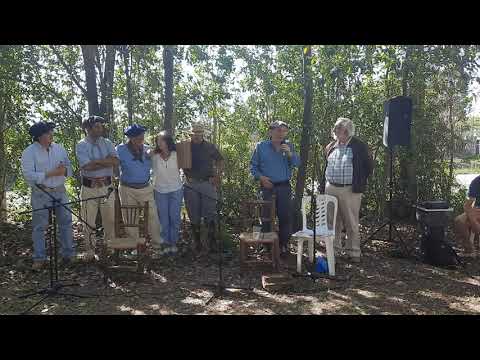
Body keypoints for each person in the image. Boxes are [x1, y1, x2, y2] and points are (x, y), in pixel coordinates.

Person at [21, 121, 75, 270]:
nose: (51, 135)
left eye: (52, 132)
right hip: (41, 193)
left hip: (60, 190)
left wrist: (63, 171)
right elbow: (28, 175)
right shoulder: (29, 152)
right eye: (48, 133)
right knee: (39, 227)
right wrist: (51, 173)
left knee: (66, 223)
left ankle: (68, 255)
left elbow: (69, 169)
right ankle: (40, 258)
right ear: (39, 137)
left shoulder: (59, 148)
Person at [323, 117, 373, 263]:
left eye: (342, 128)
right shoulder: (331, 146)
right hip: (330, 187)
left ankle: (353, 252)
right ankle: (334, 249)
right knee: (332, 222)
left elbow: (368, 167)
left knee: (351, 222)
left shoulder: (359, 146)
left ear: (348, 130)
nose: (339, 131)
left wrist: (359, 181)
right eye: (337, 128)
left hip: (349, 189)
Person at [250, 120, 300, 257]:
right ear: (270, 131)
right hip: (267, 187)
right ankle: (267, 247)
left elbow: (297, 163)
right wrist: (261, 178)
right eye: (278, 130)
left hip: (284, 187)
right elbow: (253, 167)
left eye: (284, 131)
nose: (281, 134)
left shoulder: (288, 145)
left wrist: (290, 154)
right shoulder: (261, 146)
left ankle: (283, 245)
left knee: (285, 217)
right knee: (265, 218)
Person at [76, 116, 119, 261]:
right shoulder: (81, 145)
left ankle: (110, 248)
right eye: (97, 127)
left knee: (110, 219)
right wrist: (106, 162)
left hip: (107, 187)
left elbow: (115, 161)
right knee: (88, 221)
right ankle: (89, 251)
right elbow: (86, 166)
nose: (100, 129)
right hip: (89, 188)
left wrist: (97, 161)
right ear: (88, 129)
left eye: (101, 126)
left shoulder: (107, 143)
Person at [116, 124, 163, 257]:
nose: (140, 138)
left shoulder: (147, 149)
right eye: (137, 136)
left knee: (153, 216)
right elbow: (114, 164)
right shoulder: (120, 149)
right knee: (130, 218)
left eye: (142, 135)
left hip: (145, 188)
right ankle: (134, 247)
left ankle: (157, 246)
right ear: (130, 137)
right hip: (126, 189)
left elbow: (158, 163)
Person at [183, 123, 224, 253]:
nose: (197, 135)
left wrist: (217, 176)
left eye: (199, 133)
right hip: (190, 184)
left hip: (207, 183)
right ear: (191, 134)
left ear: (203, 134)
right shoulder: (184, 146)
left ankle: (211, 242)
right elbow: (175, 160)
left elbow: (220, 161)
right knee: (193, 214)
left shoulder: (209, 146)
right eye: (195, 133)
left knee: (210, 213)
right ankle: (197, 243)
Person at [151, 131, 183, 255]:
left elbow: (186, 163)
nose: (159, 143)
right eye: (157, 140)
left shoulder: (177, 154)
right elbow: (144, 154)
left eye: (162, 140)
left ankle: (173, 242)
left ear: (168, 141)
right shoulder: (154, 156)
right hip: (160, 190)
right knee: (163, 219)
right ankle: (165, 243)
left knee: (174, 217)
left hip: (176, 189)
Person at [454, 175, 480, 257]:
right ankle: (469, 250)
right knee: (459, 221)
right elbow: (468, 205)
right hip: (477, 209)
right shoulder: (476, 181)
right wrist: (472, 218)